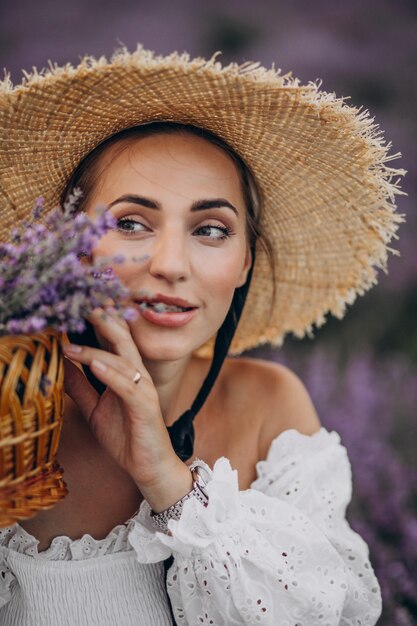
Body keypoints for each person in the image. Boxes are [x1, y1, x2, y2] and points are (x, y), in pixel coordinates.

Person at [0, 45, 406, 625]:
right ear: (65, 242)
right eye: (131, 222)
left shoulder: (269, 405)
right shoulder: (15, 407)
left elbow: (328, 612)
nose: (170, 264)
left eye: (211, 229)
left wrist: (168, 479)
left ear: (244, 264)